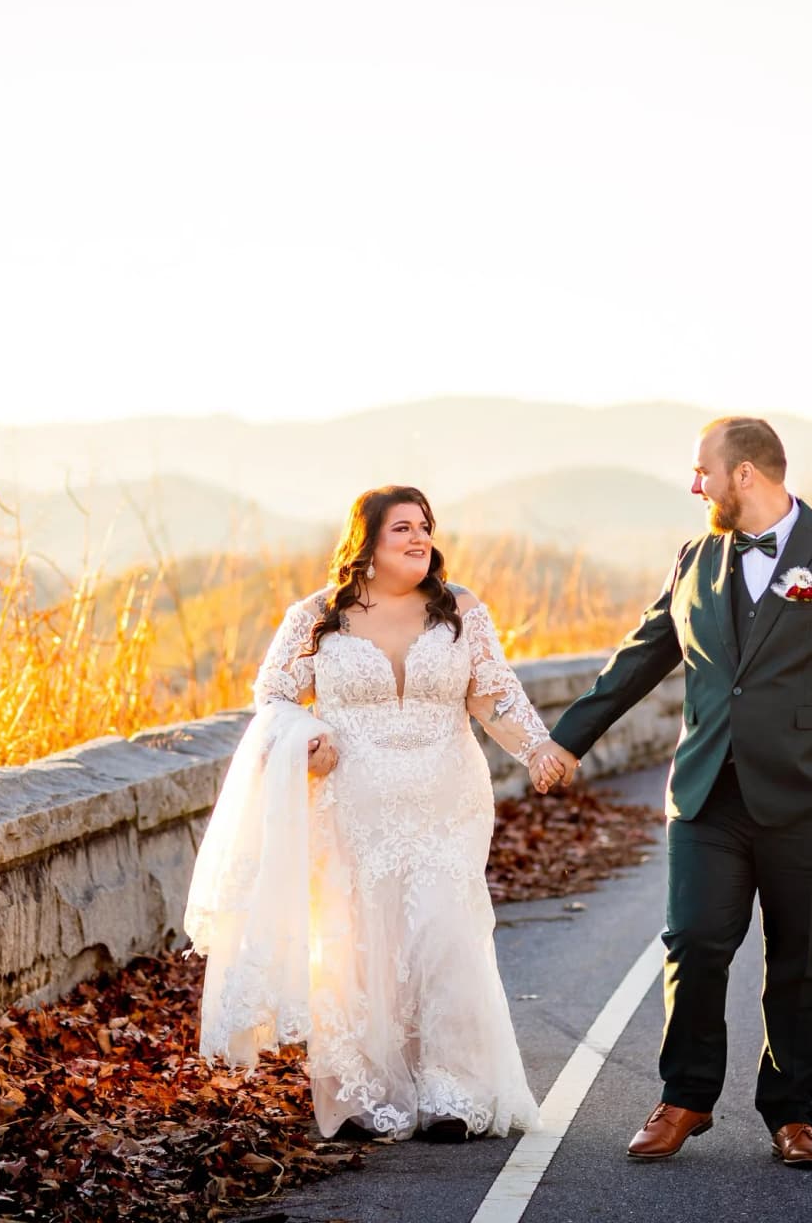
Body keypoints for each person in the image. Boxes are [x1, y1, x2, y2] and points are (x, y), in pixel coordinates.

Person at [532, 416, 812, 1168]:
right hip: (707, 796)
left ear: (745, 474)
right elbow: (638, 659)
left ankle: (793, 1115)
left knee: (803, 962)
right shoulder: (696, 558)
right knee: (695, 943)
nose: (694, 484)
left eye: (703, 470)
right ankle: (685, 1098)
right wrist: (564, 740)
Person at [186, 484, 564, 1141]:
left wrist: (536, 747)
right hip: (353, 805)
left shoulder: (459, 612)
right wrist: (306, 735)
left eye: (425, 527)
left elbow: (495, 695)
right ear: (366, 542)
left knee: (445, 938)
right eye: (403, 529)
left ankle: (456, 1089)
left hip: (447, 801)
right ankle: (365, 1090)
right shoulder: (316, 617)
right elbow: (272, 697)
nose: (420, 539)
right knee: (357, 942)